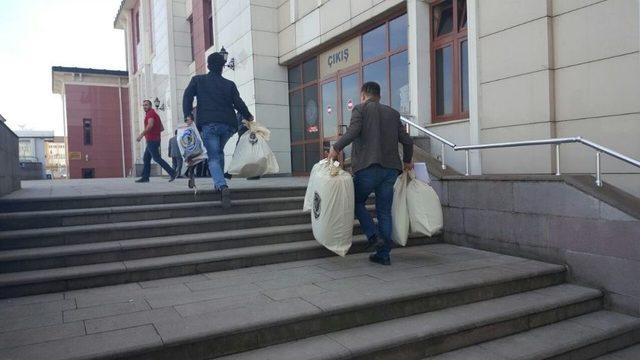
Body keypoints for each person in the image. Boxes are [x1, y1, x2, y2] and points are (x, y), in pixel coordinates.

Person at [328, 82, 414, 266]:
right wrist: (407, 161)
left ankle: (373, 236)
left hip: (367, 167)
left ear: (363, 95)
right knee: (384, 211)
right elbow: (407, 141)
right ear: (379, 96)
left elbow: (353, 132)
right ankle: (384, 255)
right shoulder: (392, 113)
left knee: (356, 201)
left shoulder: (360, 110)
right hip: (390, 170)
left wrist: (336, 148)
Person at [183, 52, 253, 208]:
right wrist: (248, 115)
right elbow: (238, 103)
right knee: (219, 152)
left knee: (213, 156)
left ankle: (222, 186)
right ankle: (218, 183)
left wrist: (188, 114)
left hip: (209, 124)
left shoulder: (198, 80)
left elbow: (187, 96)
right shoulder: (229, 84)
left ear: (208, 66)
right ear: (222, 67)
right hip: (228, 126)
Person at [136, 100, 176, 183]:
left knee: (156, 158)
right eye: (143, 105)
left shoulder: (150, 113)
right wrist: (156, 132)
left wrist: (141, 135)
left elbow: (150, 125)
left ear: (150, 105)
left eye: (146, 105)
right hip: (154, 139)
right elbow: (161, 128)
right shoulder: (155, 114)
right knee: (146, 158)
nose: (144, 107)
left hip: (152, 140)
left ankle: (172, 172)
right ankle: (145, 177)